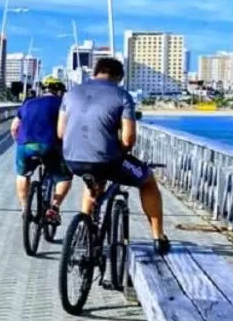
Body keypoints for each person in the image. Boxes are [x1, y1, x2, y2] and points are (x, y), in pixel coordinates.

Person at [57, 57, 170, 255]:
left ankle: (84, 229)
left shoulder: (71, 93)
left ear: (95, 72)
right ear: (118, 77)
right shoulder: (122, 95)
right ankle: (158, 237)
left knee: (91, 182)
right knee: (147, 181)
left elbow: (60, 132)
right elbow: (128, 139)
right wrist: (120, 154)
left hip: (73, 160)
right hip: (107, 161)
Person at [11, 78, 72, 222]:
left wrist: (19, 142)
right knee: (65, 178)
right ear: (59, 91)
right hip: (51, 146)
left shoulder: (28, 103)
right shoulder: (63, 104)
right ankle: (54, 208)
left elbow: (14, 127)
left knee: (22, 174)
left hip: (25, 145)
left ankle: (25, 208)